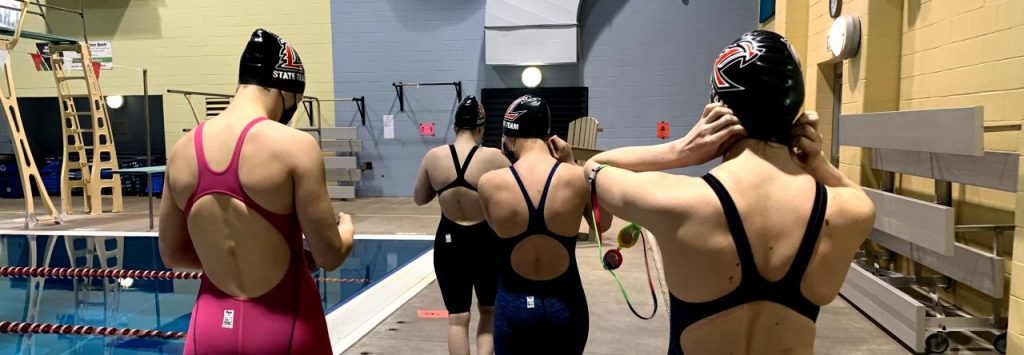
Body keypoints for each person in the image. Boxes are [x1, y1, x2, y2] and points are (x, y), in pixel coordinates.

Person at [583, 30, 875, 355]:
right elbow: (861, 198)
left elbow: (594, 168)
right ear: (794, 109)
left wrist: (681, 151)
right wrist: (817, 162)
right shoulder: (848, 210)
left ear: (717, 109)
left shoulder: (684, 203)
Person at [158, 28, 355, 355]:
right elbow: (330, 255)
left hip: (208, 327)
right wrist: (346, 229)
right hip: (285, 324)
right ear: (286, 93)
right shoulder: (295, 147)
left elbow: (173, 254)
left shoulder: (181, 150)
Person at [477, 95, 611, 355]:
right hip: (565, 302)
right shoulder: (578, 178)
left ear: (509, 134)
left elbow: (495, 226)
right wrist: (572, 163)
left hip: (513, 302)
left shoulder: (489, 183)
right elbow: (601, 225)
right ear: (548, 135)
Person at [412, 96, 510, 355]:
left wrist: (445, 187)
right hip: (486, 241)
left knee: (457, 317)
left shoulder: (434, 157)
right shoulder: (494, 158)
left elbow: (419, 199)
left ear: (455, 127)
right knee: (488, 311)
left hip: (449, 240)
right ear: (481, 129)